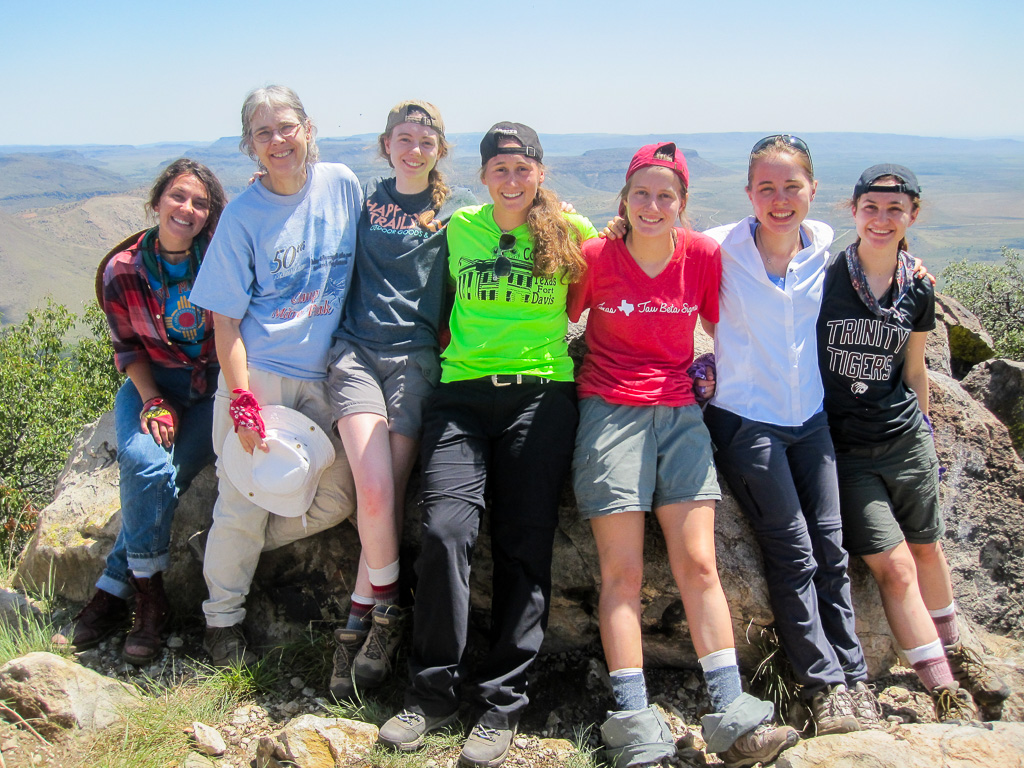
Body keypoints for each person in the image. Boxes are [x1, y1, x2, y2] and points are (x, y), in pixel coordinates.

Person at [569, 143, 799, 768]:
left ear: (683, 203)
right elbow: (557, 319)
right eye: (641, 193)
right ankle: (631, 721)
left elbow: (753, 299)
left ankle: (731, 713)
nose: (652, 205)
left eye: (665, 195)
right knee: (623, 573)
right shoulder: (596, 256)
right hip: (609, 411)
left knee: (699, 565)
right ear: (624, 199)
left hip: (680, 412)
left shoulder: (700, 256)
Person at [378, 122, 595, 768]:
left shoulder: (572, 234)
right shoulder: (462, 229)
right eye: (499, 168)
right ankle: (431, 692)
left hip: (540, 397)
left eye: (521, 168)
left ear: (540, 172)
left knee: (524, 544)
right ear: (483, 174)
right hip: (462, 398)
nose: (510, 179)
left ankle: (502, 702)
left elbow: (631, 261)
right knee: (446, 529)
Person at [817, 164, 1008, 718]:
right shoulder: (825, 279)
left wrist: (924, 433)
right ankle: (942, 686)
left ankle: (961, 654)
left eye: (894, 209)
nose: (881, 219)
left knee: (927, 548)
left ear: (913, 216)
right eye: (870, 208)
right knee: (894, 565)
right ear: (852, 211)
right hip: (847, 452)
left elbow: (916, 367)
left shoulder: (918, 285)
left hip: (904, 440)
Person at [699, 135, 876, 734]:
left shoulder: (821, 243)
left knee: (832, 545)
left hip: (811, 419)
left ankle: (855, 677)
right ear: (748, 193)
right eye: (766, 188)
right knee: (793, 548)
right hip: (747, 418)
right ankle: (822, 684)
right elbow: (653, 241)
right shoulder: (720, 246)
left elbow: (879, 256)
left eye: (790, 186)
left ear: (812, 190)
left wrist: (910, 264)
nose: (779, 199)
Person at [188, 85, 360, 667]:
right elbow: (225, 324)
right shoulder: (242, 219)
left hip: (325, 379)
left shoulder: (342, 185)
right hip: (260, 376)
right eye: (263, 133)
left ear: (308, 128)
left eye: (286, 126)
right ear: (249, 146)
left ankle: (221, 553)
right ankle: (222, 619)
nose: (278, 141)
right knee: (242, 502)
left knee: (338, 496)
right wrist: (242, 403)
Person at [54, 159, 227, 665]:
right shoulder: (122, 270)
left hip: (212, 389)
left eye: (200, 203)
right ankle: (152, 602)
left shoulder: (220, 258)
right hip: (155, 381)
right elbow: (126, 348)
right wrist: (152, 399)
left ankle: (111, 590)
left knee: (162, 475)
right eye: (178, 197)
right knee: (145, 462)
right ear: (157, 202)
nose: (187, 209)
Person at [327, 100, 465, 698]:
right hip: (355, 353)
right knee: (376, 490)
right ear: (386, 144)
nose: (414, 149)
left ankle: (358, 622)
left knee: (387, 498)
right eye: (403, 138)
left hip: (415, 363)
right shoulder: (355, 200)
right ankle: (389, 610)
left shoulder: (457, 213)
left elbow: (520, 221)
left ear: (440, 150)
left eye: (426, 141)